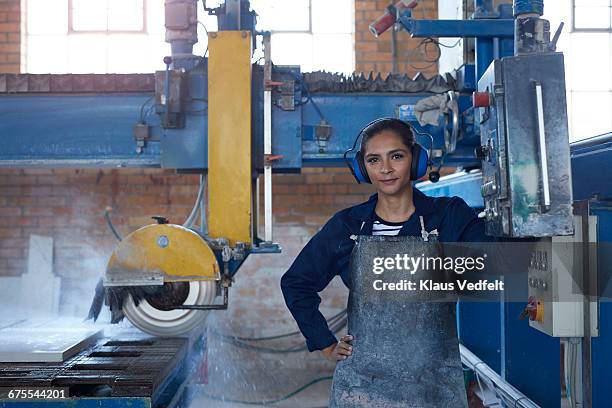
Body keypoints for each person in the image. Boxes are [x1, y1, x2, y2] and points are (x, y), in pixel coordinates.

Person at [280, 118, 489, 362]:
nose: (385, 169)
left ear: (416, 161)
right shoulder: (347, 226)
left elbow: (494, 266)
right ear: (363, 168)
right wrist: (325, 343)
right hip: (365, 373)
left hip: (435, 371)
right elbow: (296, 282)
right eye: (374, 160)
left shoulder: (448, 216)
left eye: (397, 156)